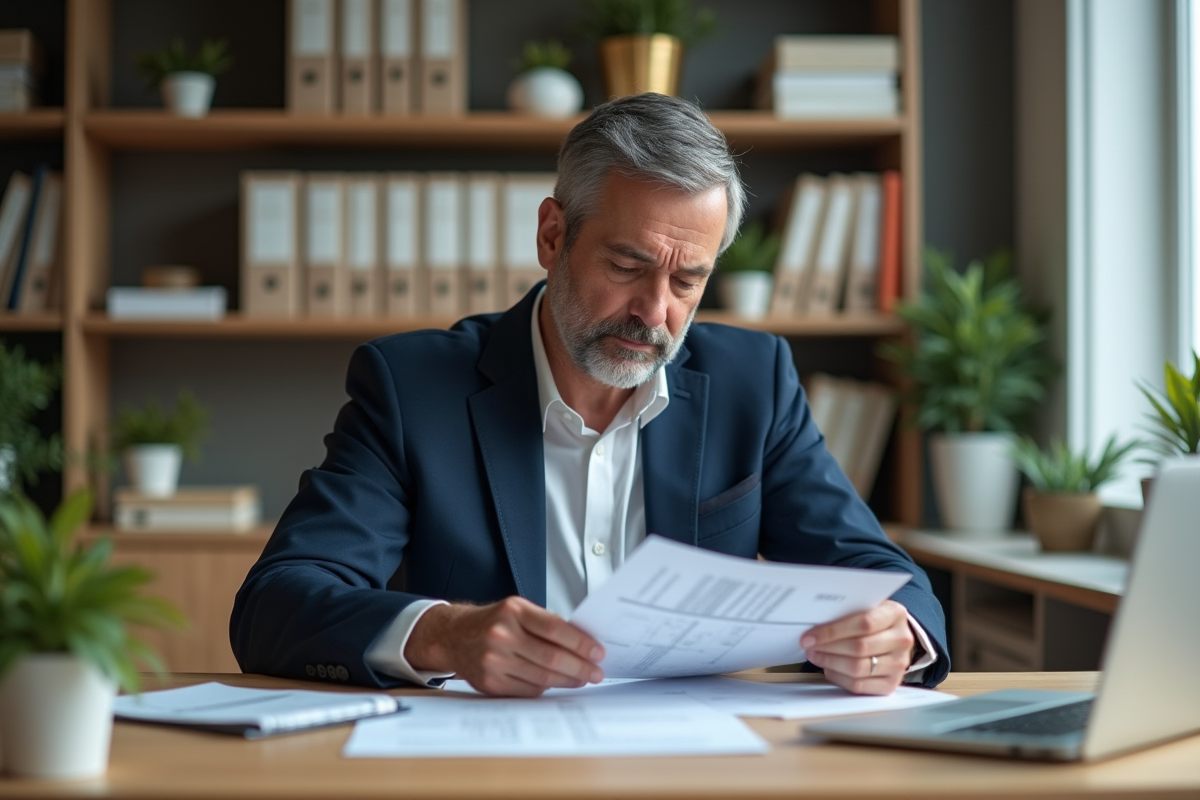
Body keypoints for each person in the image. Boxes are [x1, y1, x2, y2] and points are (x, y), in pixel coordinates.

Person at [230, 93, 949, 698]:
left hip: (696, 766)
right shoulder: (414, 387)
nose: (654, 310)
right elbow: (276, 605)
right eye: (627, 265)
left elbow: (885, 579)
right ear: (552, 235)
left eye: (687, 280)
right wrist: (444, 635)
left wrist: (894, 635)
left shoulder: (750, 382)